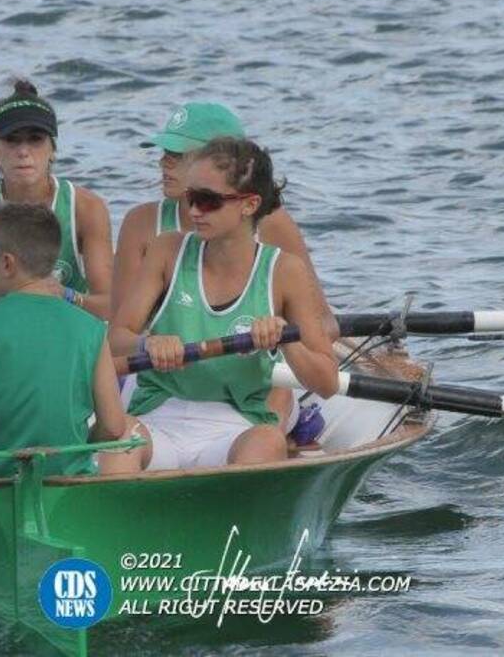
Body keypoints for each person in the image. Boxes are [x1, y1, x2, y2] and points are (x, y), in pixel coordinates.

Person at [109, 137, 338, 471]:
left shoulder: (284, 271)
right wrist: (148, 342)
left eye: (208, 200)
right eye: (191, 197)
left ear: (249, 204)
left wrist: (286, 340)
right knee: (118, 441)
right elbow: (116, 338)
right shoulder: (166, 251)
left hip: (237, 427)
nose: (193, 211)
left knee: (269, 441)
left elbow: (327, 383)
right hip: (158, 415)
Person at [0, 203, 129, 482]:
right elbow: (113, 424)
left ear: (7, 264)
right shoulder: (93, 328)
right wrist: (77, 451)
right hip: (68, 480)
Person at [0, 79, 113, 319]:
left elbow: (108, 306)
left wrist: (66, 294)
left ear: (53, 149)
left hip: (63, 331)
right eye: (12, 140)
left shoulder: (85, 208)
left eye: (35, 139)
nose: (23, 151)